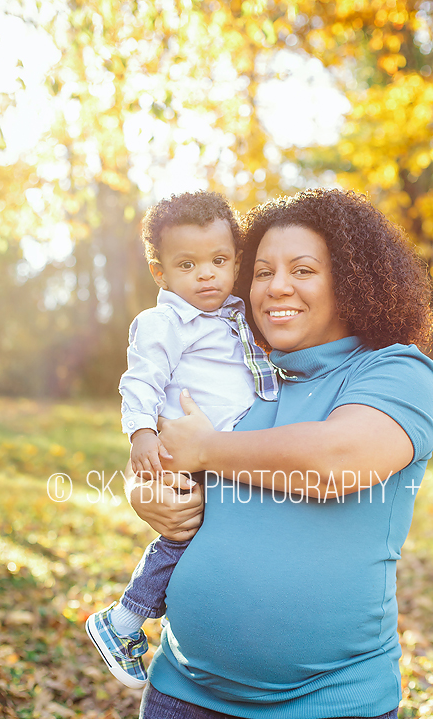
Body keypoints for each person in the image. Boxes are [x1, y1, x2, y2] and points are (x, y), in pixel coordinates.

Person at [127, 188, 433, 719]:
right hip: (186, 693)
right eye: (262, 270)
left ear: (351, 279)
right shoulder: (238, 372)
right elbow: (166, 454)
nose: (276, 287)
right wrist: (146, 489)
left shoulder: (393, 371)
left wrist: (210, 446)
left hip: (322, 711)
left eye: (304, 269)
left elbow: (336, 462)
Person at [86, 191, 277, 689]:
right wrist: (142, 432)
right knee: (185, 533)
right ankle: (124, 620)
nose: (206, 274)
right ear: (160, 273)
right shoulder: (162, 323)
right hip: (188, 452)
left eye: (218, 261)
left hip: (225, 450)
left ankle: (166, 617)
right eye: (187, 264)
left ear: (236, 261)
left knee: (205, 540)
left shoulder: (238, 315)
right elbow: (141, 381)